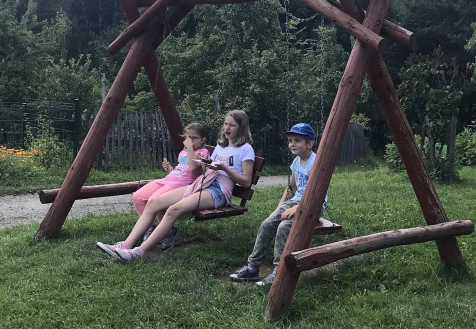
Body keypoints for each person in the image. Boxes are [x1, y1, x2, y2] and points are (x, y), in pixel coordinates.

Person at [97, 110, 255, 260]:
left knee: (173, 209)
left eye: (232, 125)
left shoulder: (246, 149)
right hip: (203, 183)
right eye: (226, 124)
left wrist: (224, 169)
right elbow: (207, 169)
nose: (227, 128)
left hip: (219, 191)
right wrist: (204, 163)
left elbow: (246, 181)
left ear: (241, 127)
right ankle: (126, 245)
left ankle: (138, 252)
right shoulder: (221, 145)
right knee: (153, 203)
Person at [229, 122, 320, 287]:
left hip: (312, 206)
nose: (292, 144)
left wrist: (297, 208)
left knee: (283, 227)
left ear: (309, 144)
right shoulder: (296, 162)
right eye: (290, 140)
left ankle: (279, 271)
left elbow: (316, 195)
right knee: (267, 224)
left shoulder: (316, 163)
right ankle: (253, 267)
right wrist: (280, 207)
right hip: (295, 202)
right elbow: (291, 189)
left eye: (297, 140)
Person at [131, 122, 210, 247]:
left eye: (194, 138)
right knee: (137, 197)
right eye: (187, 137)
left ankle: (167, 232)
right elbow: (182, 169)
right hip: (169, 179)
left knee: (154, 200)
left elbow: (193, 167)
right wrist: (170, 169)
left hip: (183, 185)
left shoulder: (203, 152)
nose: (190, 140)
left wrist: (190, 148)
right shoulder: (183, 152)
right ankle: (148, 229)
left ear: (202, 140)